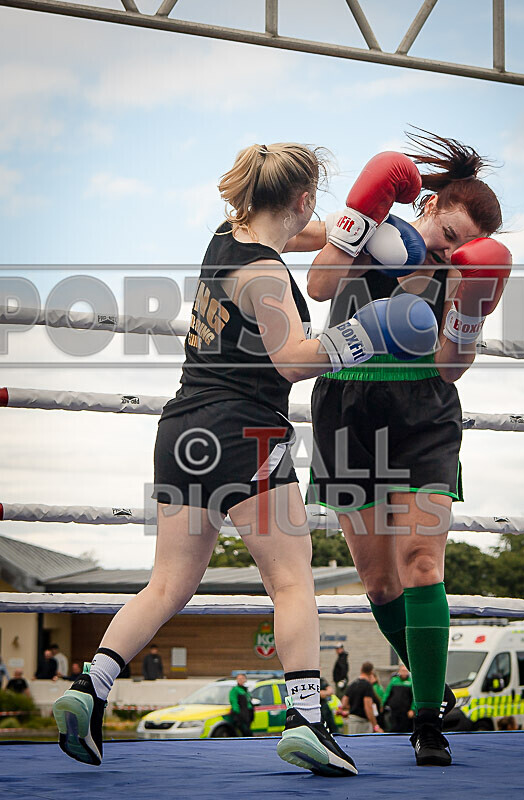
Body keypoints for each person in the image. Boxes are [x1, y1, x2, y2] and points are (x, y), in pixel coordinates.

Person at [53, 143, 436, 777]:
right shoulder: (265, 275)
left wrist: (363, 230)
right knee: (291, 581)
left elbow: (308, 234)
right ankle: (307, 718)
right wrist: (366, 334)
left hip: (180, 431)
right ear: (303, 197)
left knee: (169, 583)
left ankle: (89, 687)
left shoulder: (225, 237)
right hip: (246, 432)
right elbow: (292, 360)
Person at [305, 131, 511, 767]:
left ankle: (426, 721)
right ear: (426, 206)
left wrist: (468, 311)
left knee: (422, 560)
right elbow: (311, 274)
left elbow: (451, 369)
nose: (449, 249)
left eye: (462, 245)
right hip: (346, 404)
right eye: (447, 233)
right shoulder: (376, 229)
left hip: (422, 409)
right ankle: (437, 688)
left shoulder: (463, 272)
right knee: (377, 578)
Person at [340, 661, 383, 734]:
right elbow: (368, 707)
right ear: (371, 671)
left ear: (361, 669)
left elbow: (344, 703)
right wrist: (375, 725)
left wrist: (353, 707)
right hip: (362, 723)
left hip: (352, 721)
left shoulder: (353, 684)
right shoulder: (367, 685)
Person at [382, 664, 414, 733]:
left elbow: (414, 698)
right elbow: (387, 693)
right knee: (393, 728)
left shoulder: (411, 682)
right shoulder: (394, 681)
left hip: (406, 712)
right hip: (394, 710)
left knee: (405, 729)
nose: (404, 673)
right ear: (399, 671)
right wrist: (383, 704)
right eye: (402, 671)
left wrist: (412, 709)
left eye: (405, 671)